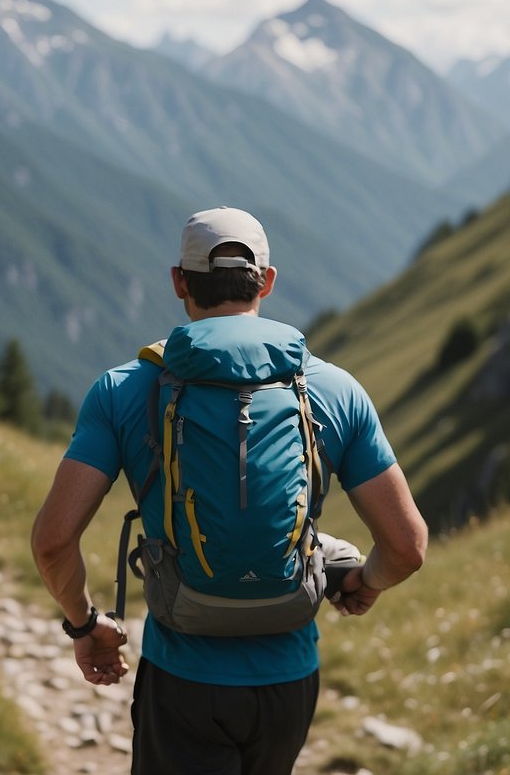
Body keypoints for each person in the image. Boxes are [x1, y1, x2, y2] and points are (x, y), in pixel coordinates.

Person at [31, 206, 428, 774]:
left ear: (179, 282)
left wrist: (84, 623)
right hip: (288, 678)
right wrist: (365, 581)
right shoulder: (334, 391)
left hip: (182, 674)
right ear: (267, 281)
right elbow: (408, 546)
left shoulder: (123, 389)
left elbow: (51, 541)